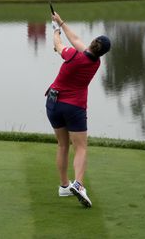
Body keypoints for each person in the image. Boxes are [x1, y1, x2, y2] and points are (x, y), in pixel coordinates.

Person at [46, 11, 111, 208]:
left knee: (62, 145)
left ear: (92, 43)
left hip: (53, 103)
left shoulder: (73, 55)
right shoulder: (95, 62)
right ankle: (79, 184)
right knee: (81, 147)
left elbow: (60, 45)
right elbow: (75, 39)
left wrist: (56, 30)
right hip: (74, 107)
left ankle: (64, 185)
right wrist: (61, 21)